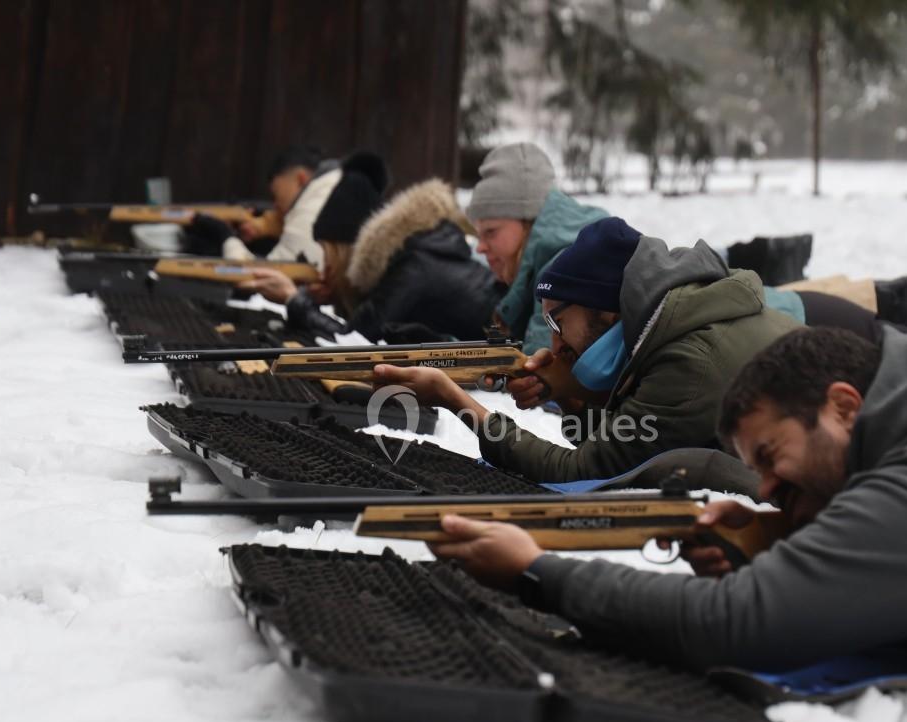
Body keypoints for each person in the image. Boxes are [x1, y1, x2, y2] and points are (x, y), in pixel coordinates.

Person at [428, 326, 907, 682]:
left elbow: (730, 626)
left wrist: (537, 571)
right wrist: (779, 542)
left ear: (844, 406)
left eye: (771, 456)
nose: (767, 489)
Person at [376, 216, 799, 483]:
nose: (553, 344)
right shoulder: (673, 328)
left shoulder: (688, 363)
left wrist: (458, 402)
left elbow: (584, 473)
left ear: (606, 311)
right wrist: (571, 398)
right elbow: (622, 443)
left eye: (556, 323)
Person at [241, 167, 504, 344]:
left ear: (345, 254)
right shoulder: (412, 256)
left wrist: (292, 298)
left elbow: (352, 341)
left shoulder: (413, 266)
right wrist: (327, 298)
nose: (324, 268)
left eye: (328, 255)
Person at [468, 142, 609, 354]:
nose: (479, 248)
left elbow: (541, 368)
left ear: (528, 223)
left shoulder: (564, 271)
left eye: (490, 232)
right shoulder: (549, 261)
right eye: (478, 235)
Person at [184, 144, 341, 270]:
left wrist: (225, 236)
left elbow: (265, 277)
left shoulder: (311, 206)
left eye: (276, 196)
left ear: (301, 179)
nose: (276, 206)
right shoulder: (331, 188)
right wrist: (261, 229)